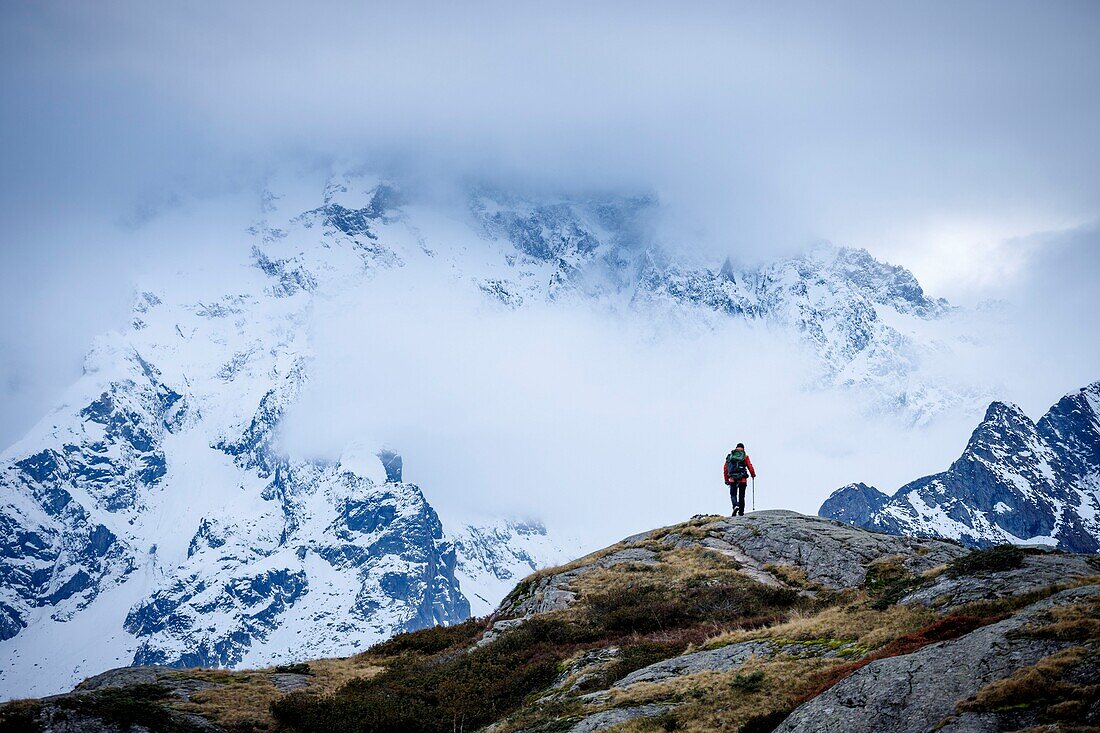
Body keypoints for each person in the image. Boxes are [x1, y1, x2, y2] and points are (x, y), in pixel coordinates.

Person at [723, 443, 756, 516]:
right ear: (743, 448)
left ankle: (735, 505)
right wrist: (753, 474)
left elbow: (725, 468)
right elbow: (750, 466)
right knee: (741, 496)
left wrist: (726, 479)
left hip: (732, 479)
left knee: (733, 494)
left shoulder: (730, 456)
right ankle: (741, 512)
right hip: (742, 479)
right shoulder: (745, 456)